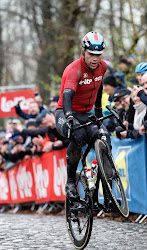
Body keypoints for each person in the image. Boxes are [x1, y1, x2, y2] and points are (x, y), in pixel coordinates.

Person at [55, 31, 108, 201]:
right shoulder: (74, 70)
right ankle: (70, 182)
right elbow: (67, 96)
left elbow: (99, 87)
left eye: (98, 55)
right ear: (83, 52)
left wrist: (98, 111)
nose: (95, 59)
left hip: (87, 113)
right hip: (65, 112)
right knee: (78, 135)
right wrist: (69, 116)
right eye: (91, 54)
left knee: (104, 137)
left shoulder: (103, 67)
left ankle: (105, 185)